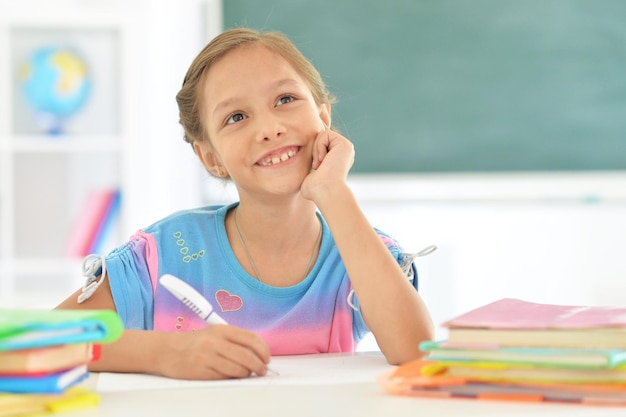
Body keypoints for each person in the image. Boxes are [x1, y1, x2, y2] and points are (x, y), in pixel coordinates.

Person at [57, 27, 434, 380]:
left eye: (285, 99)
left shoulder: (360, 250)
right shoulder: (163, 254)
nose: (269, 128)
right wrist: (165, 353)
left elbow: (413, 351)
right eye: (236, 117)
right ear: (211, 158)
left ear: (323, 118)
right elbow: (38, 343)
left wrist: (333, 192)